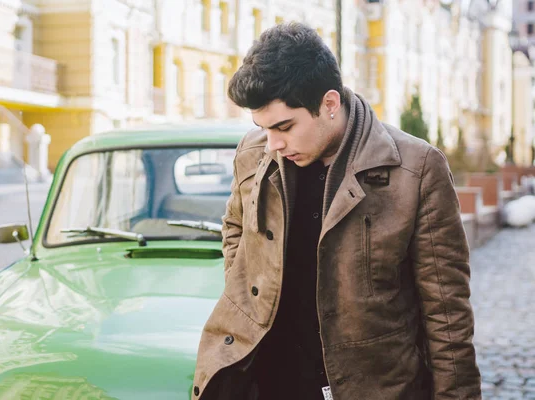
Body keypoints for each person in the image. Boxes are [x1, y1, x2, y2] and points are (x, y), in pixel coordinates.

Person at [192, 22, 481, 400]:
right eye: (263, 128)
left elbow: (447, 314)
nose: (273, 144)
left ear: (329, 103)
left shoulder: (417, 169)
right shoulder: (254, 151)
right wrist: (247, 290)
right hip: (265, 382)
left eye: (284, 126)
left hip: (372, 388)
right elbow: (235, 228)